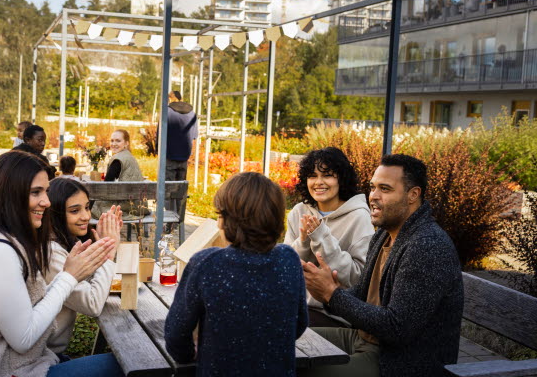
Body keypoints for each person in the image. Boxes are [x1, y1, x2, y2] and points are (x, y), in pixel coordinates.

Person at [0, 151, 124, 377]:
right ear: (9, 194)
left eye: (46, 191)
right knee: (130, 363)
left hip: (10, 365)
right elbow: (23, 339)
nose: (46, 202)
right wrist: (69, 277)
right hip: (1, 371)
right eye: (36, 192)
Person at [301, 154, 464, 377]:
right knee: (284, 340)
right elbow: (362, 295)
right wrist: (325, 289)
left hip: (398, 361)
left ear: (413, 195)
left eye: (385, 189)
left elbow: (397, 328)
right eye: (372, 187)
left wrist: (332, 294)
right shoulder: (384, 235)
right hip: (363, 338)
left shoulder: (426, 246)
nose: (373, 197)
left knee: (298, 368)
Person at [165, 172, 308, 376]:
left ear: (228, 220)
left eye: (220, 215)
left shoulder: (206, 264)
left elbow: (176, 336)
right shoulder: (289, 260)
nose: (217, 223)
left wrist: (190, 355)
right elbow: (299, 324)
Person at [284, 147, 374, 326]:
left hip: (335, 316)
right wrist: (303, 242)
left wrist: (321, 238)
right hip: (296, 308)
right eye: (312, 176)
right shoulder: (299, 212)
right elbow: (285, 269)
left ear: (342, 178)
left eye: (327, 175)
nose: (318, 182)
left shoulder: (360, 217)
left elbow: (358, 279)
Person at [45, 178, 122, 357]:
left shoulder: (63, 243)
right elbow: (92, 304)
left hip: (50, 353)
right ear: (54, 213)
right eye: (75, 210)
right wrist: (108, 252)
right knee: (129, 361)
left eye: (87, 207)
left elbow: (89, 281)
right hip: (40, 360)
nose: (86, 216)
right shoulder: (51, 253)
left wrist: (101, 247)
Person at [165, 90, 197, 181]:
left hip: (169, 154)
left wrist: (157, 150)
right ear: (181, 98)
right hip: (184, 154)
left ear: (170, 99)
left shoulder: (167, 112)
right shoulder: (191, 113)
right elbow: (194, 135)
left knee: (168, 187)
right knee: (181, 186)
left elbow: (160, 133)